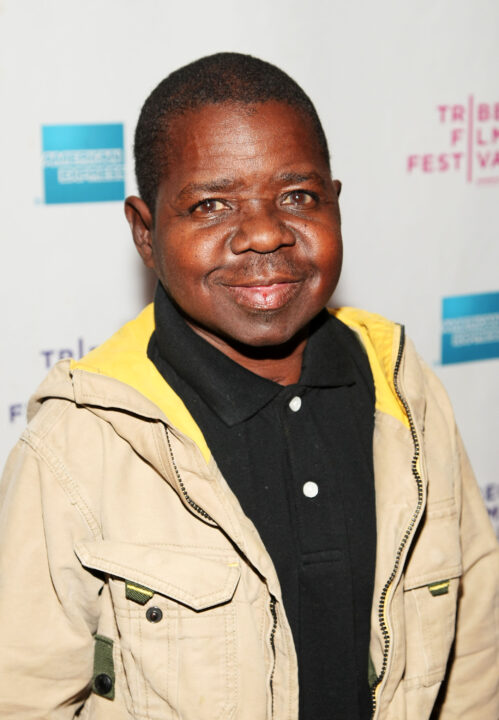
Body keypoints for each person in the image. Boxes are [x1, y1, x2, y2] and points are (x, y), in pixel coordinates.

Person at [0, 53, 497, 720]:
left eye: (297, 197)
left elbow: (472, 654)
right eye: (211, 204)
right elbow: (23, 696)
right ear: (146, 233)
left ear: (336, 204)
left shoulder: (401, 387)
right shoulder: (85, 440)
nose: (264, 233)